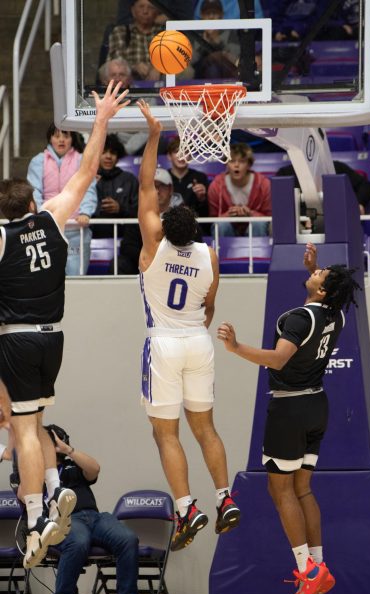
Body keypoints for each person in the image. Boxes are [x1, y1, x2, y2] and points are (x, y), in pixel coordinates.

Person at [0, 81, 130, 568]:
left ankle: (35, 517)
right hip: (54, 338)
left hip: (15, 338)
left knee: (24, 431)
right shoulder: (54, 220)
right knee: (32, 426)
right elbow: (89, 170)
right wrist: (102, 119)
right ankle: (54, 494)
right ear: (33, 202)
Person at [217, 243, 361, 594]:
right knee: (303, 489)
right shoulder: (337, 315)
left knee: (279, 491)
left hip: (289, 409)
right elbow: (324, 297)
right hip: (317, 406)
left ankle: (305, 571)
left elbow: (279, 360)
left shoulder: (299, 317)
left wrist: (237, 347)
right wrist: (314, 270)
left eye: (318, 274)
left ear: (323, 290)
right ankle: (318, 565)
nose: (314, 271)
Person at [135, 99, 241, 551]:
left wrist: (155, 134)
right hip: (199, 339)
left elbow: (144, 187)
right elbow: (211, 306)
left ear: (161, 227)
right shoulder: (209, 256)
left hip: (164, 342)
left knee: (166, 434)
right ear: (194, 230)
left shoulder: (152, 249)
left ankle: (186, 507)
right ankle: (224, 497)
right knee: (207, 430)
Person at [45, 425, 139, 594]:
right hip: (67, 520)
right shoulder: (37, 472)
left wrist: (68, 450)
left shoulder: (72, 466)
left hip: (96, 518)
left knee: (128, 539)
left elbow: (94, 469)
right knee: (79, 541)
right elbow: (22, 492)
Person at [27, 123, 98, 275]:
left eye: (66, 136)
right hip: (47, 229)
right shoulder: (38, 161)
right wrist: (41, 215)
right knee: (49, 278)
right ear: (50, 138)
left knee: (77, 278)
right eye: (57, 136)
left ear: (72, 139)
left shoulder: (81, 160)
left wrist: (86, 212)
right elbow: (34, 191)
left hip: (76, 230)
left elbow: (88, 188)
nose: (61, 140)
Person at [110, 167, 185, 275]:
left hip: (175, 264)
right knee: (119, 264)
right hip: (144, 263)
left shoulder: (183, 213)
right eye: (153, 187)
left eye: (162, 186)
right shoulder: (136, 213)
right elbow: (128, 246)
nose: (157, 191)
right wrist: (149, 257)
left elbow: (193, 243)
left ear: (171, 189)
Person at [208, 142, 272, 236]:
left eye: (242, 161)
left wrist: (250, 213)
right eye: (232, 161)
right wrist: (228, 214)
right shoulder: (216, 186)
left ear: (249, 165)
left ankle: (258, 251)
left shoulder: (264, 184)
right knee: (221, 225)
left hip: (254, 226)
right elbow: (212, 219)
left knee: (258, 223)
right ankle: (221, 251)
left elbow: (269, 216)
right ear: (226, 164)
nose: (236, 165)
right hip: (228, 227)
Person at [275, 160, 370, 216]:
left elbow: (366, 186)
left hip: (338, 223)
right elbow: (283, 205)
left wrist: (358, 203)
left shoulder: (336, 168)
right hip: (299, 227)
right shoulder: (285, 174)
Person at [94, 134, 138, 239]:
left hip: (126, 239)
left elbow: (140, 211)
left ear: (118, 157)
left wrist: (120, 208)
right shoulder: (88, 180)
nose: (108, 156)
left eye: (112, 152)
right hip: (94, 236)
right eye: (103, 152)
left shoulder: (129, 179)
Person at [107, 0, 163, 81]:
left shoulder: (164, 31)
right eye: (141, 7)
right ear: (133, 11)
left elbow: (174, 58)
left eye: (150, 7)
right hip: (130, 81)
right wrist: (134, 67)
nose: (145, 11)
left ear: (157, 12)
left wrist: (159, 68)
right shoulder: (121, 31)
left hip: (161, 79)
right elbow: (116, 61)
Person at [166, 136, 209, 222]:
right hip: (168, 224)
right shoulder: (163, 179)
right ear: (169, 156)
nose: (182, 156)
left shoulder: (200, 177)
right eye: (177, 151)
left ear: (191, 156)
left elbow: (206, 215)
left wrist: (202, 199)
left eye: (186, 152)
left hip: (194, 225)